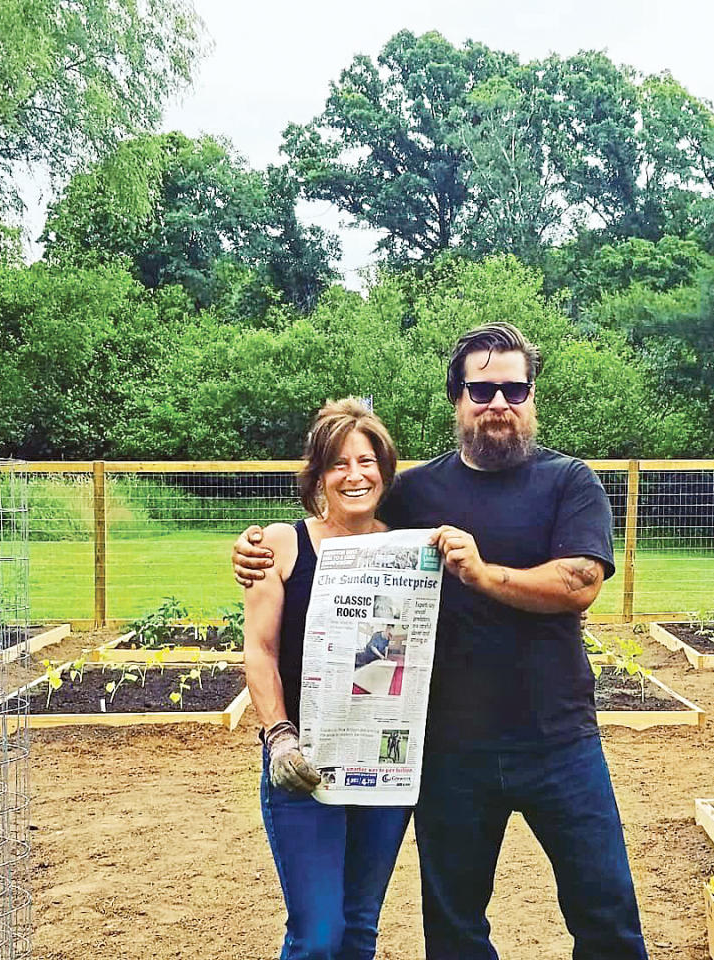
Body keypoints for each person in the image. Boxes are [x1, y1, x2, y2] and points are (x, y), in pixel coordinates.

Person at [235, 323, 648, 960]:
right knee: (454, 930)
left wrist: (483, 574)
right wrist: (254, 548)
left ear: (532, 396)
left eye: (515, 388)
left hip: (559, 741)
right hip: (449, 754)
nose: (499, 404)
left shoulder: (570, 482)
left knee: (606, 913)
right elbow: (345, 513)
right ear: (457, 398)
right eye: (482, 391)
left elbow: (581, 581)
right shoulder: (417, 492)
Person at [243, 398, 410, 960]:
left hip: (382, 767)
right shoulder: (281, 546)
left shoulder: (410, 548)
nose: (355, 475)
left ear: (385, 470)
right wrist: (278, 736)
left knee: (360, 928)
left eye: (367, 461)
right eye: (339, 463)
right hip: (304, 769)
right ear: (318, 475)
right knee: (317, 938)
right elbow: (260, 652)